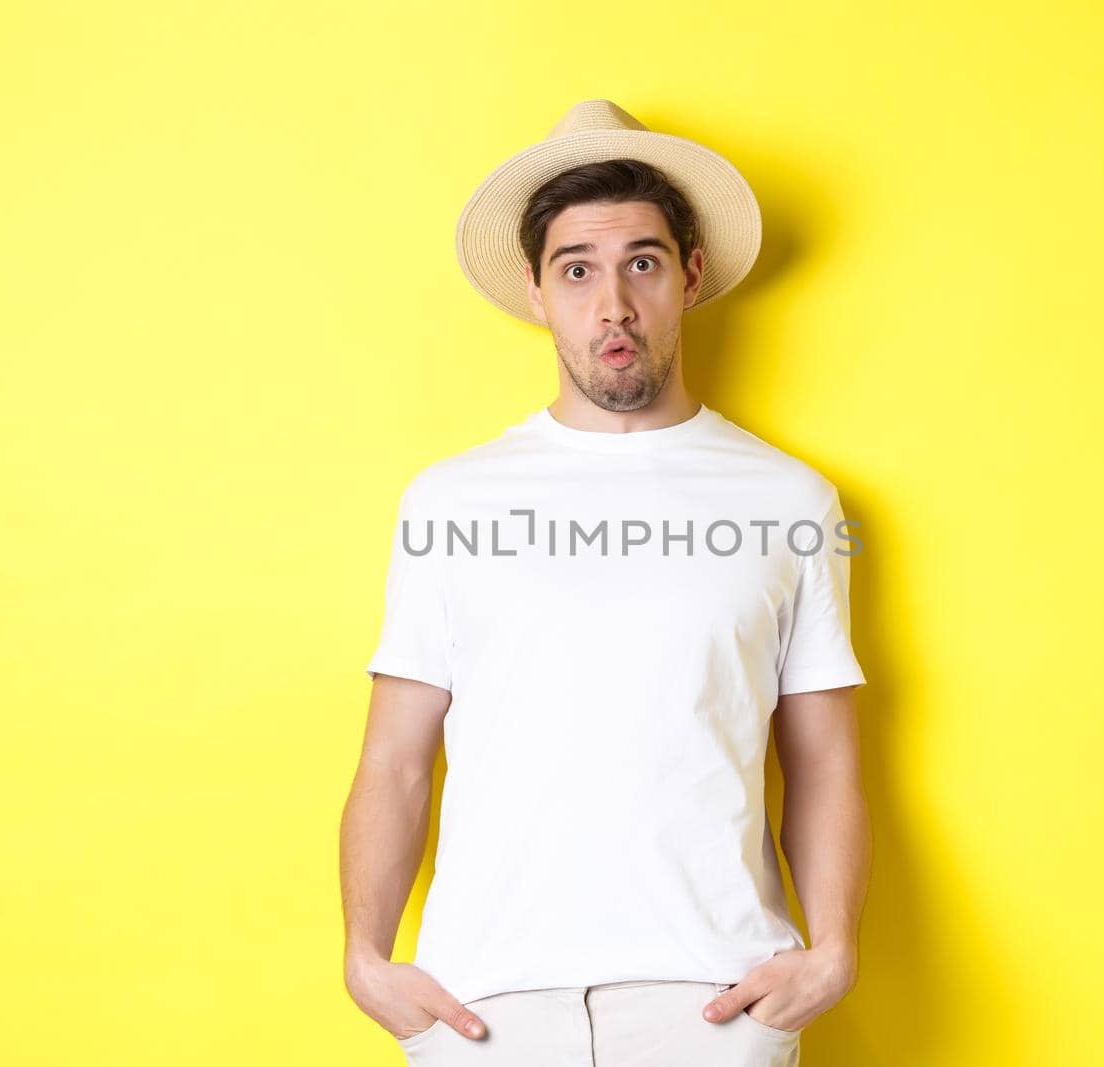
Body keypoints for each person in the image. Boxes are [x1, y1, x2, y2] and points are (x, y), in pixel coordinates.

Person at [339, 99, 872, 1066]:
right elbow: (395, 758)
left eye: (643, 261)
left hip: (716, 999)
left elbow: (825, 755)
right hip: (484, 1006)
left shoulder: (789, 496)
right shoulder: (450, 499)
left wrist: (831, 954)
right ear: (540, 294)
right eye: (577, 270)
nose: (612, 304)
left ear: (689, 276)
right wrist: (366, 960)